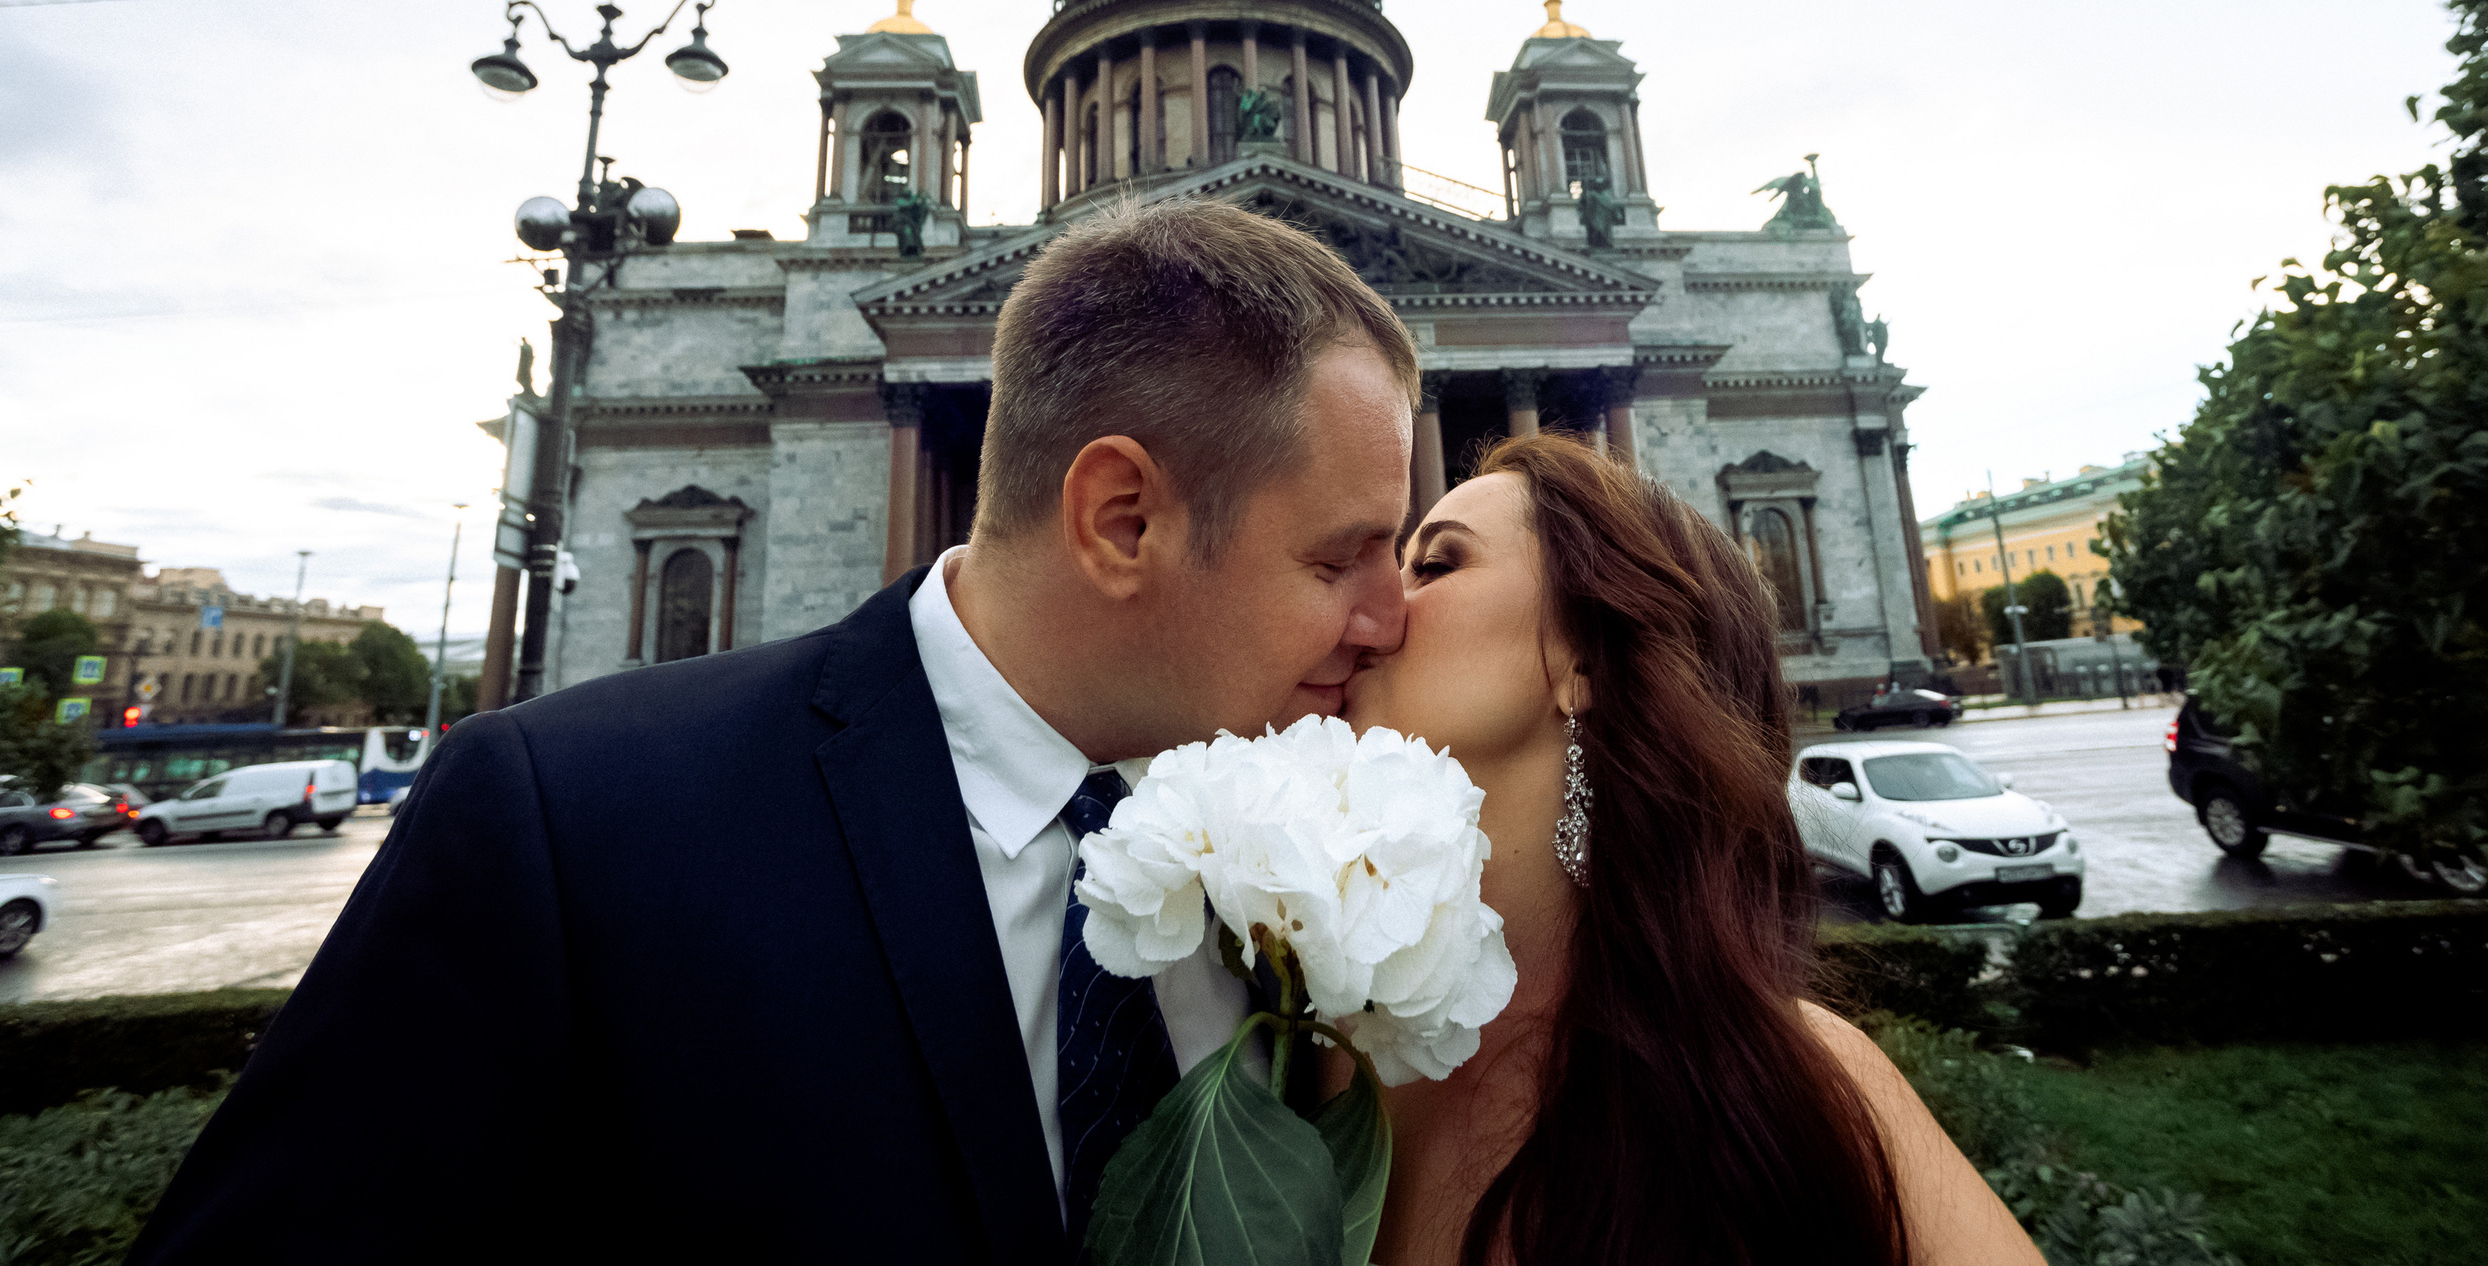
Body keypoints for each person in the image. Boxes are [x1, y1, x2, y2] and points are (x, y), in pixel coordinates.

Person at [130, 201, 1418, 1263]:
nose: (1392, 617)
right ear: (1123, 520)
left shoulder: (1318, 853)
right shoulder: (574, 824)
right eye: (1341, 557)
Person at [1340, 434, 2041, 1266]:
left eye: (1437, 564)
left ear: (1588, 657)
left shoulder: (1781, 1093)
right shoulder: (1275, 1032)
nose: (1376, 605)